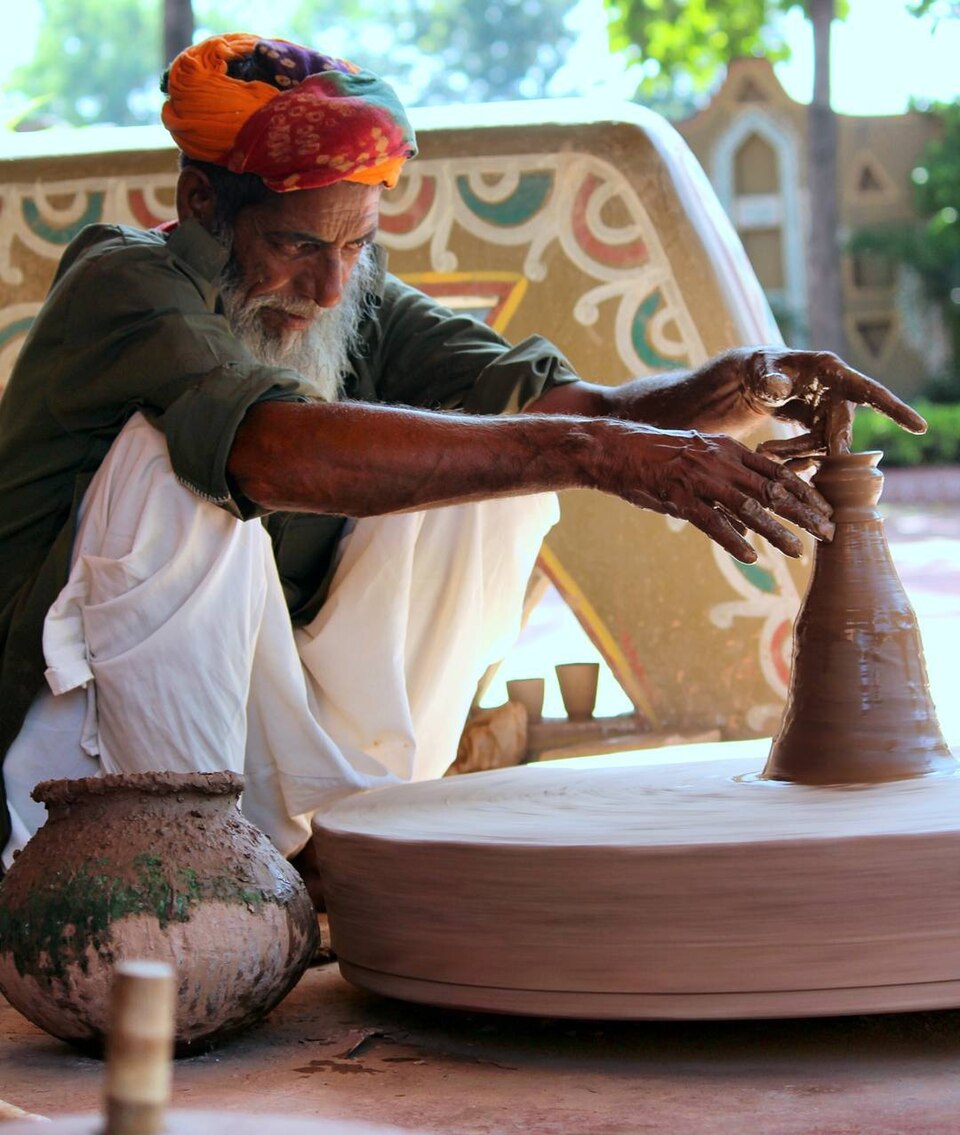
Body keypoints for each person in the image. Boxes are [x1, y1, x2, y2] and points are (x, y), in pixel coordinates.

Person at [0, 33, 926, 877]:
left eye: (357, 245)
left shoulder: (350, 290)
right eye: (295, 244)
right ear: (202, 203)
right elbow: (272, 452)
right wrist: (590, 451)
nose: (329, 287)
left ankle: (345, 833)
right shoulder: (123, 281)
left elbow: (582, 409)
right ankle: (188, 874)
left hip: (246, 734)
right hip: (76, 755)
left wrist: (751, 383)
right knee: (174, 464)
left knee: (500, 463)